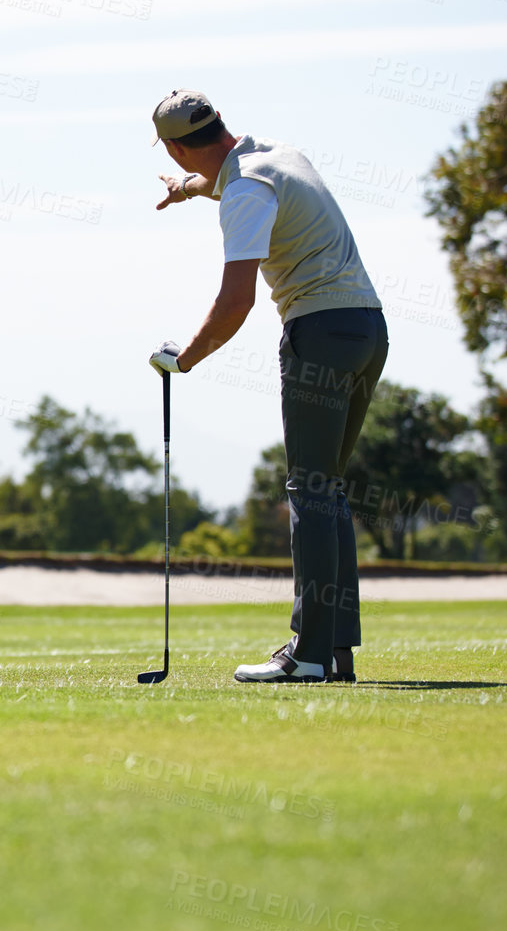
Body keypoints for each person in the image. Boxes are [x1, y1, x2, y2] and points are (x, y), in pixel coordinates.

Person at [148, 89, 388, 683]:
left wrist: (187, 359)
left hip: (320, 331)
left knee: (309, 490)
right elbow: (228, 182)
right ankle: (334, 651)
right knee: (327, 490)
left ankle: (308, 654)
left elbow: (235, 303)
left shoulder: (246, 194)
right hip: (367, 329)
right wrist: (189, 192)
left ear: (177, 149)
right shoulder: (276, 156)